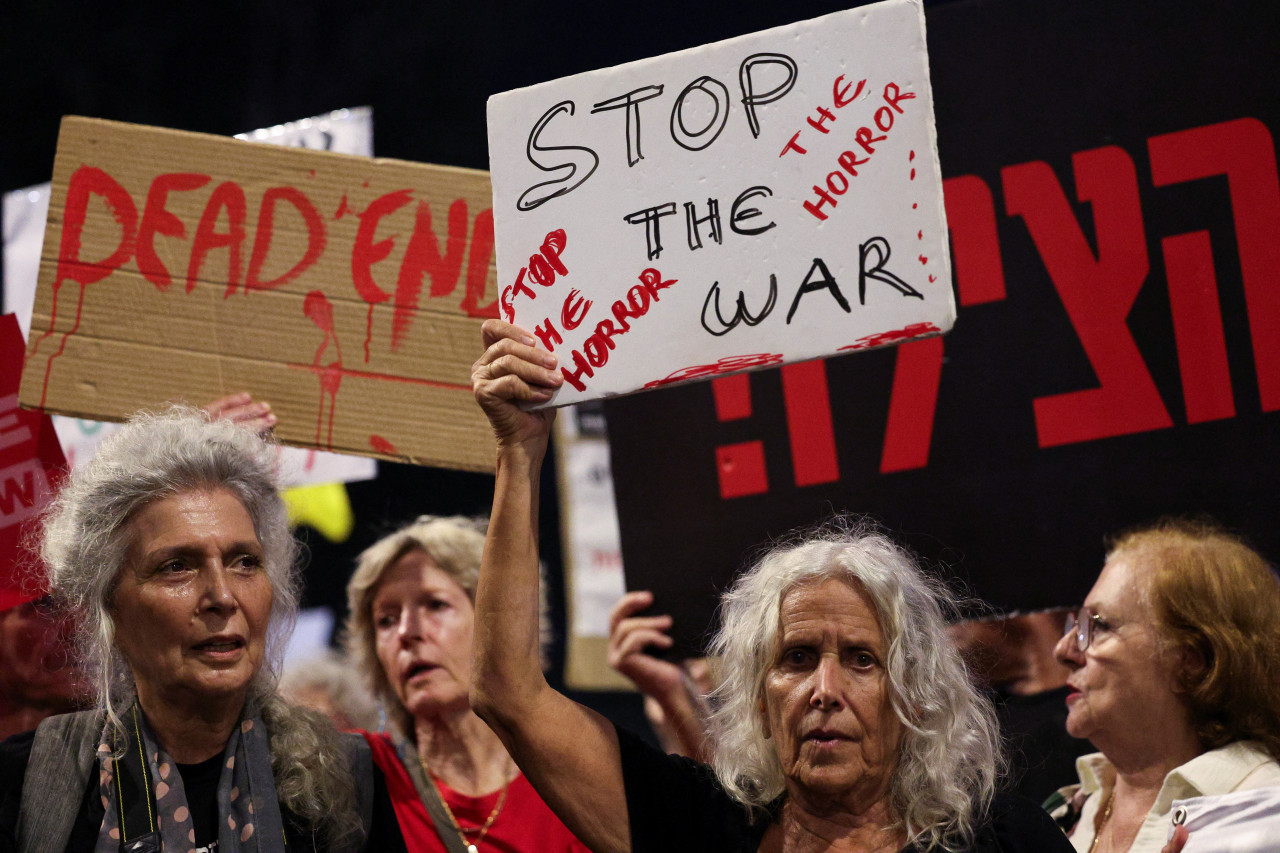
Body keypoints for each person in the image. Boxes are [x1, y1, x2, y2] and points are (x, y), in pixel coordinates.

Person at [467, 319, 1074, 853]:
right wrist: (519, 450)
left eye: (862, 660)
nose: (824, 690)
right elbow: (506, 691)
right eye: (797, 658)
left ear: (914, 695)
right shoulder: (700, 828)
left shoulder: (1001, 839)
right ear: (758, 697)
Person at [0, 406, 405, 852]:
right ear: (108, 606)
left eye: (245, 562)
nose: (223, 596)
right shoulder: (25, 783)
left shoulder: (346, 778)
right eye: (177, 567)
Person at [344, 514, 589, 853]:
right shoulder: (359, 774)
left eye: (435, 604)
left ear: (501, 626)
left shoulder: (575, 787)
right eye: (386, 619)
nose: (406, 632)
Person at [1047, 519, 1280, 853]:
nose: (1063, 651)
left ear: (1190, 661)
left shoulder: (1265, 814)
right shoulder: (1063, 814)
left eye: (1096, 627)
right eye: (1075, 625)